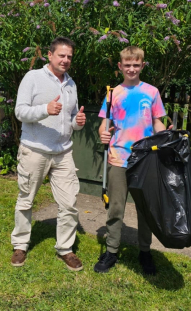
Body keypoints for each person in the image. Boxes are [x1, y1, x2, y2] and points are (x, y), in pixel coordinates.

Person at [11, 36, 86, 271]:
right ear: (50, 55)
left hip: (63, 152)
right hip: (35, 150)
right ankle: (20, 244)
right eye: (61, 55)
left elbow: (71, 119)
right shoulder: (33, 78)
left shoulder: (71, 84)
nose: (65, 60)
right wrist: (45, 109)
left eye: (69, 57)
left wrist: (78, 122)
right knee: (26, 200)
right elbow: (20, 111)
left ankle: (65, 249)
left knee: (69, 203)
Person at [94, 46, 170, 275]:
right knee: (116, 207)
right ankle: (112, 251)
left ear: (142, 66)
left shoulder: (152, 92)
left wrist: (164, 135)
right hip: (118, 158)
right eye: (127, 65)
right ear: (120, 66)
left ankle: (144, 251)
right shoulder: (112, 94)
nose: (131, 68)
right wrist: (102, 133)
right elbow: (104, 124)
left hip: (145, 159)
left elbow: (158, 122)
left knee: (145, 209)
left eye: (136, 65)